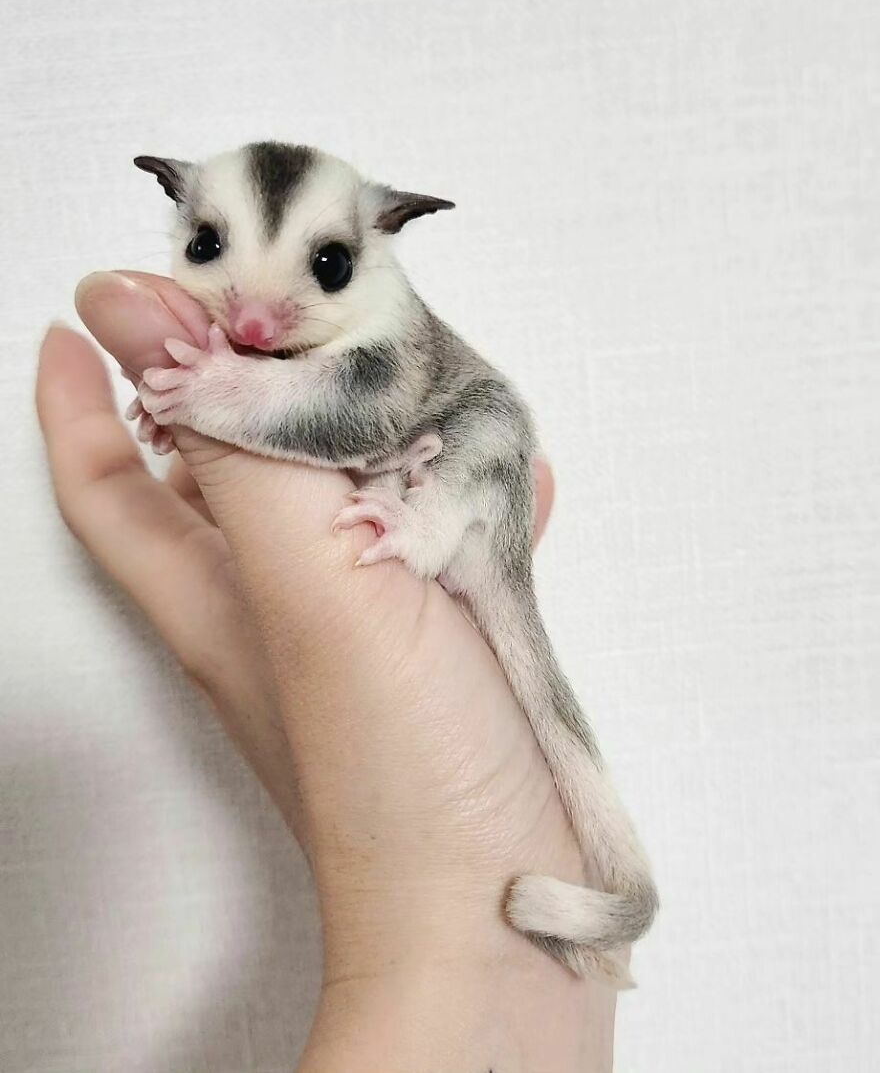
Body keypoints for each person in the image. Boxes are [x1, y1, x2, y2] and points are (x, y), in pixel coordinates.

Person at [35, 270, 619, 1072]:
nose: (253, 318)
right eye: (206, 250)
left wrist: (213, 397)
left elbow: (351, 420)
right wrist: (476, 944)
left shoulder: (385, 341)